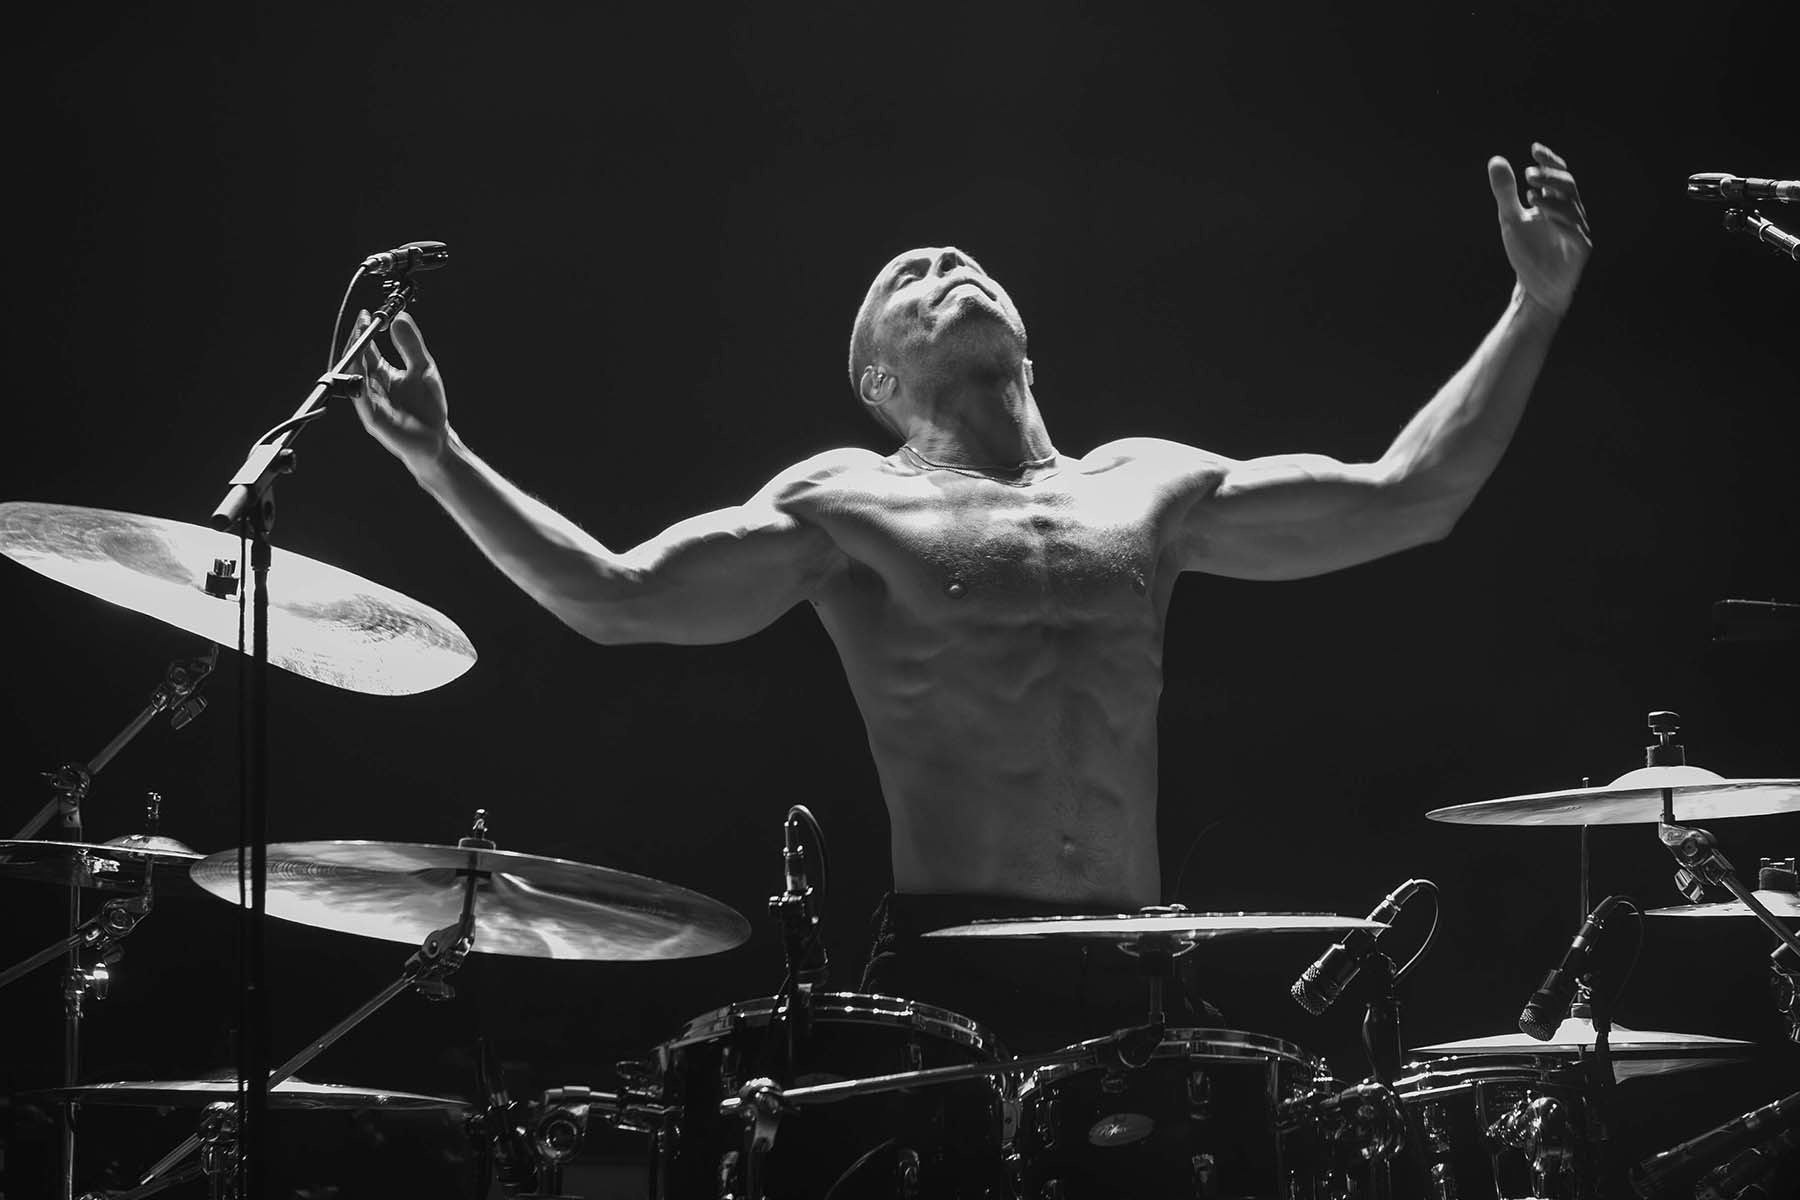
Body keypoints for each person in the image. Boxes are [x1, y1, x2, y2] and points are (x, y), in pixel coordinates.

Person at [350, 144, 1590, 1050]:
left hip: (1140, 954)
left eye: (964, 262)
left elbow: (1411, 497)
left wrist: (1533, 306)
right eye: (910, 277)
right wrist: (439, 457)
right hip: (956, 966)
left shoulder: (1151, 487)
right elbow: (614, 596)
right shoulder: (845, 505)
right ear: (878, 381)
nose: (947, 264)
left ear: (1027, 344)